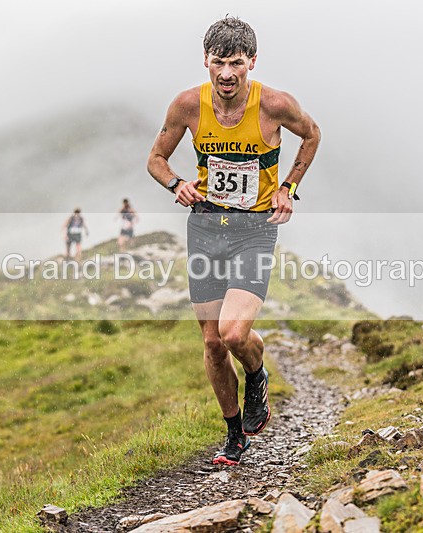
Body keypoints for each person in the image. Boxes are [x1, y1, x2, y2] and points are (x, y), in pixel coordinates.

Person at [147, 17, 320, 466]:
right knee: (210, 343)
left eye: (236, 63)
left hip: (254, 229)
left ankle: (257, 373)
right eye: (219, 62)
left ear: (252, 63)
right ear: (206, 60)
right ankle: (233, 435)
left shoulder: (275, 104)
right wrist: (176, 184)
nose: (226, 73)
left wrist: (288, 188)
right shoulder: (188, 105)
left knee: (233, 332)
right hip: (206, 227)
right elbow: (156, 159)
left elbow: (312, 134)